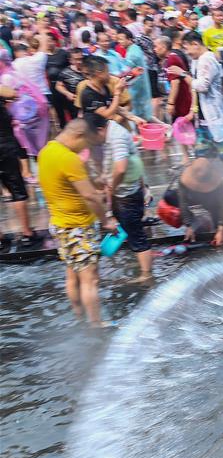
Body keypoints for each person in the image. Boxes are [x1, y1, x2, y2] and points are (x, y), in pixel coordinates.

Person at [37, 119, 116, 327]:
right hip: (78, 227)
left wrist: (95, 181)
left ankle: (80, 318)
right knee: (90, 279)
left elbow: (68, 184)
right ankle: (96, 324)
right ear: (79, 135)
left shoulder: (46, 151)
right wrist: (106, 220)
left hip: (60, 225)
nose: (86, 148)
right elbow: (90, 197)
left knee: (72, 276)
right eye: (87, 143)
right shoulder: (68, 158)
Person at [177, 30, 223, 210]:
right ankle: (202, 194)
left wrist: (184, 76)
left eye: (188, 49)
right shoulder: (197, 60)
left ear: (195, 43)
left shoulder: (207, 59)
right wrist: (192, 111)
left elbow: (201, 86)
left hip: (215, 120)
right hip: (203, 121)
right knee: (202, 160)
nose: (188, 53)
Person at [91, 114, 153, 283]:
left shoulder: (116, 136)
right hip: (125, 192)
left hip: (127, 195)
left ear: (99, 130)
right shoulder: (111, 132)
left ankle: (146, 275)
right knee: (127, 230)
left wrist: (111, 186)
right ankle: (141, 267)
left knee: (136, 234)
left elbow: (120, 168)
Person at [0, 84, 37, 249]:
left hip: (5, 145)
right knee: (17, 190)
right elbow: (12, 93)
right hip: (4, 148)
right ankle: (27, 233)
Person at [155, 35, 192, 164]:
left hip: (181, 100)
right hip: (180, 98)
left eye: (156, 46)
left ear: (164, 47)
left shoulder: (172, 59)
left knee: (182, 126)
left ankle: (188, 155)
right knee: (180, 127)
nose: (155, 49)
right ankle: (186, 155)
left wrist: (170, 103)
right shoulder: (169, 59)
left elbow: (175, 83)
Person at [176, 157, 223, 247]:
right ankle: (195, 221)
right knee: (170, 197)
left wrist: (221, 228)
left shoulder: (218, 182)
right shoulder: (184, 180)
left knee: (217, 218)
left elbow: (222, 204)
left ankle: (212, 220)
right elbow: (182, 202)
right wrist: (188, 225)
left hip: (209, 198)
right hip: (191, 197)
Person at [115, 27, 153, 121]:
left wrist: (119, 79)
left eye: (121, 39)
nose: (119, 42)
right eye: (118, 39)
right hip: (141, 86)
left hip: (137, 89)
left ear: (129, 39)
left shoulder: (132, 54)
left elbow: (128, 73)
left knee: (137, 118)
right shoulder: (135, 48)